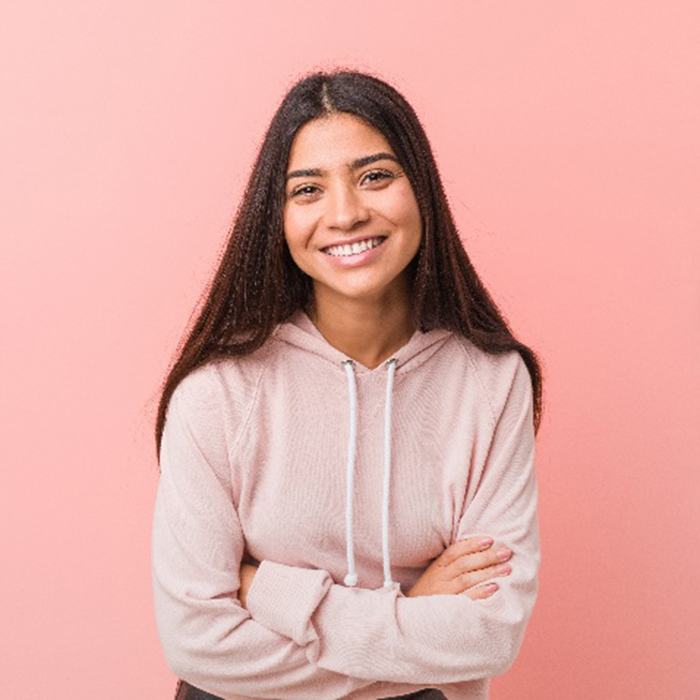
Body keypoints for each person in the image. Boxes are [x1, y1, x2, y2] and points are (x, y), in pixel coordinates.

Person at [151, 68, 544, 700]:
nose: (345, 214)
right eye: (307, 189)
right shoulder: (217, 392)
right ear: (274, 216)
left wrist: (271, 591)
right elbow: (197, 642)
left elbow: (490, 636)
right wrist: (414, 612)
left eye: (375, 176)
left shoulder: (492, 383)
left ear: (422, 189)